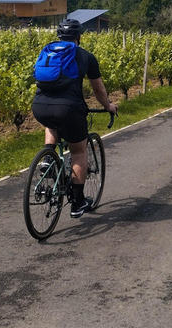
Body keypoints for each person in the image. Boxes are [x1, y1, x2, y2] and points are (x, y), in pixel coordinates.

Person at [31, 19, 118, 218]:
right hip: (69, 109)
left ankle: (48, 157)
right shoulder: (86, 56)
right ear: (79, 36)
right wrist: (108, 106)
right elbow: (99, 89)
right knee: (79, 152)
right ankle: (78, 203)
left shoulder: (48, 52)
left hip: (40, 106)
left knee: (51, 122)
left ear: (59, 36)